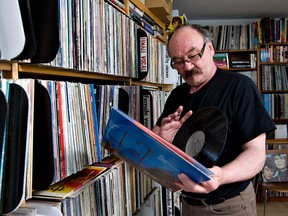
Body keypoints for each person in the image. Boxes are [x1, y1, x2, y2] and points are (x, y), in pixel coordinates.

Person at [152, 25, 276, 216]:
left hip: (230, 206)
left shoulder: (240, 88)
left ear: (210, 48)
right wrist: (163, 140)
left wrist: (219, 176)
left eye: (193, 55)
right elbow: (154, 142)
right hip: (188, 203)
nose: (187, 66)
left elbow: (256, 155)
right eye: (177, 61)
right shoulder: (176, 95)